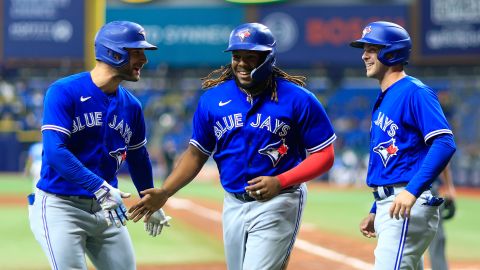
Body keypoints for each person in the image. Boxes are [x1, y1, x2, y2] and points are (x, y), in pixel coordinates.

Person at [128, 22, 336, 270]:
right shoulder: (212, 100)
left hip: (279, 200)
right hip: (233, 202)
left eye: (251, 57)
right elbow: (196, 154)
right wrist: (165, 192)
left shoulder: (299, 99)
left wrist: (281, 181)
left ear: (268, 59)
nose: (242, 63)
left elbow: (325, 155)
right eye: (237, 56)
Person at [28, 21, 171, 270]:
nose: (144, 60)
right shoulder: (64, 91)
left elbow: (138, 158)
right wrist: (100, 187)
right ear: (114, 53)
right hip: (61, 206)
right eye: (137, 52)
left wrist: (150, 200)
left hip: (107, 210)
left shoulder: (132, 106)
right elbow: (54, 152)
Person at [351, 21, 456, 270]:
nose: (364, 55)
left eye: (372, 48)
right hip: (392, 202)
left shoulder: (415, 92)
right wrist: (376, 207)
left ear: (392, 51)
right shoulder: (386, 96)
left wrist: (412, 191)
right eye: (364, 49)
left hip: (406, 203)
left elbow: (444, 142)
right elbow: (394, 160)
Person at [429, 164, 456, 270]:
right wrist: (450, 187)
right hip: (429, 190)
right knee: (437, 236)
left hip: (405, 189)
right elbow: (445, 159)